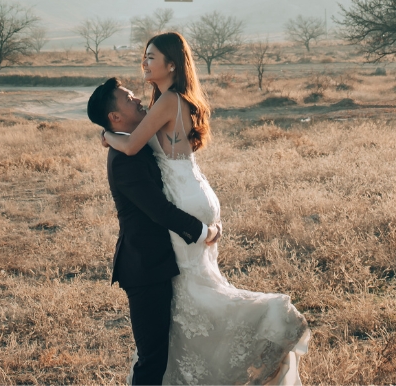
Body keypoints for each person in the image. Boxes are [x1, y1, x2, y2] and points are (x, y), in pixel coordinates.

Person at [98, 32, 310, 385]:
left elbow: (133, 144)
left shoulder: (168, 100)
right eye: (145, 56)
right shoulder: (174, 100)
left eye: (151, 57)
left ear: (171, 64)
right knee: (197, 286)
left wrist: (105, 135)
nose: (145, 62)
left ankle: (270, 318)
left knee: (193, 294)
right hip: (197, 193)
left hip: (184, 201)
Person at [88, 75, 218, 385]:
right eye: (128, 97)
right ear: (115, 117)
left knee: (167, 353)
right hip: (145, 268)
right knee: (152, 359)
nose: (137, 99)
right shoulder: (123, 160)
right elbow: (158, 210)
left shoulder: (137, 143)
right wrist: (203, 232)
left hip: (164, 262)